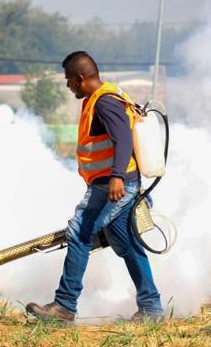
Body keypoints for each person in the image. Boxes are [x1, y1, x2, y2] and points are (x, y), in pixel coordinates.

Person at [25, 51, 165, 323]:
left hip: (113, 185)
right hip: (119, 182)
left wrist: (116, 177)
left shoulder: (104, 103)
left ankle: (65, 306)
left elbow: (123, 138)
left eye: (69, 81)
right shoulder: (105, 97)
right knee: (127, 244)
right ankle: (152, 307)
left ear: (80, 78)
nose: (68, 87)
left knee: (79, 233)